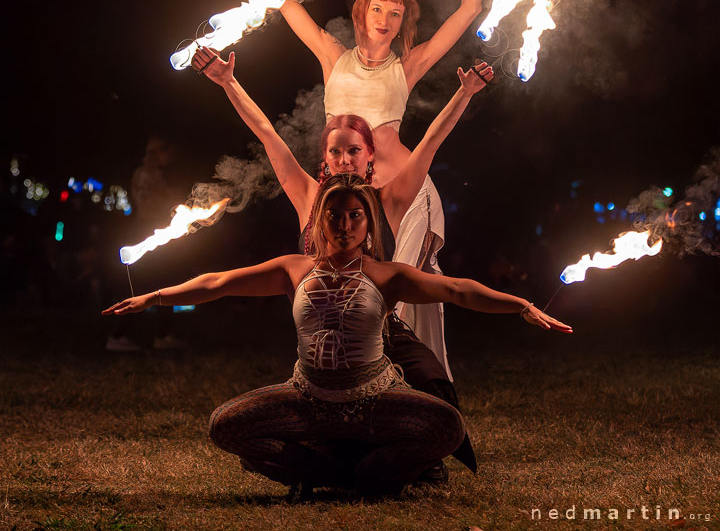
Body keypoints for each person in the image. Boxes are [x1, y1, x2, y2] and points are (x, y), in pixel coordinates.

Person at [103, 173, 572, 496]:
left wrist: (522, 306)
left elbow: (457, 290)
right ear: (319, 222)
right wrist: (155, 297)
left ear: (367, 224)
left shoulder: (387, 275)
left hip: (374, 398)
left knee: (448, 426)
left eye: (354, 216)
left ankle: (362, 476)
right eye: (334, 216)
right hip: (306, 398)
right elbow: (220, 282)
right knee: (226, 426)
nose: (344, 225)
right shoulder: (294, 270)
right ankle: (338, 477)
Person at [193, 47, 492, 475]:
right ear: (325, 159)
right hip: (323, 345)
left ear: (370, 156)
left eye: (354, 151)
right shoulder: (308, 198)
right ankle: (331, 464)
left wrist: (465, 93)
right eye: (336, 153)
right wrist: (227, 82)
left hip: (381, 334)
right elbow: (266, 134)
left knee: (434, 389)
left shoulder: (387, 200)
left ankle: (412, 459)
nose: (345, 160)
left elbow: (430, 144)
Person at [267, 0, 488, 377]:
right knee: (343, 293)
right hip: (347, 197)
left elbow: (468, 11)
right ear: (361, 12)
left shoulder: (406, 66)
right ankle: (350, 390)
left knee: (397, 294)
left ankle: (415, 395)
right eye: (378, 7)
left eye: (396, 11)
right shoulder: (332, 56)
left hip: (405, 198)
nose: (386, 17)